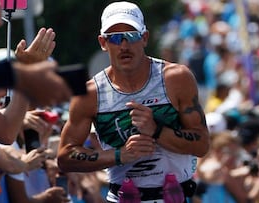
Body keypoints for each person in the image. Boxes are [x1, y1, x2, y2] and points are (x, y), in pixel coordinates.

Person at [57, 1, 210, 202]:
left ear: (144, 38)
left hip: (176, 196)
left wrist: (156, 131)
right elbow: (65, 157)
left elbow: (202, 145)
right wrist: (120, 155)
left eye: (132, 35)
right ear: (103, 43)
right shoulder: (89, 94)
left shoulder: (175, 78)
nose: (124, 46)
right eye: (115, 38)